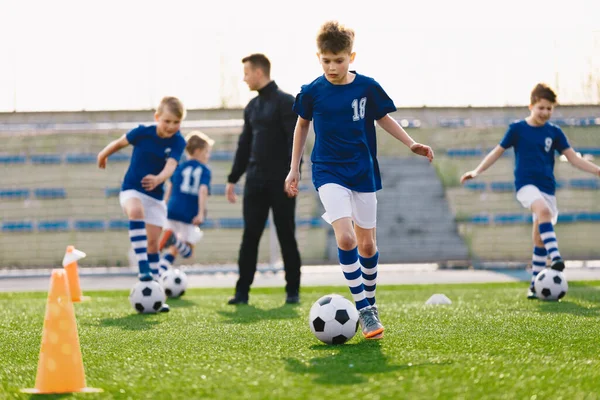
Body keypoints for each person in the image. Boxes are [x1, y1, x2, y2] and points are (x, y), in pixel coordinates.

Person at [284, 21, 434, 339]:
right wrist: (294, 167)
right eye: (326, 61)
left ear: (351, 56)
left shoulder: (366, 87)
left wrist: (411, 143)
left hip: (363, 171)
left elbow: (383, 118)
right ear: (318, 58)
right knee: (347, 239)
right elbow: (301, 126)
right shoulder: (311, 91)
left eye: (339, 60)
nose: (333, 66)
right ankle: (364, 309)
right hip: (328, 171)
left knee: (367, 244)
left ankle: (371, 303)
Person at [460, 83, 600, 299]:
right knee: (542, 212)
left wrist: (598, 171)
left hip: (547, 188)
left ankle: (535, 285)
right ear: (531, 106)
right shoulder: (517, 129)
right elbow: (497, 152)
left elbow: (573, 158)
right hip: (525, 185)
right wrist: (477, 171)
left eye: (549, 109)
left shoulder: (554, 132)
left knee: (539, 237)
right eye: (541, 107)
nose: (545, 112)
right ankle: (556, 258)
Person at [226, 53, 302, 305]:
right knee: (250, 236)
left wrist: (293, 175)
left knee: (286, 234)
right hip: (255, 183)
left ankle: (293, 291)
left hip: (281, 183)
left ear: (259, 72)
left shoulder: (285, 102)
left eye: (247, 73)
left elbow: (296, 142)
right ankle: (241, 293)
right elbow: (244, 144)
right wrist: (233, 177)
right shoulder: (252, 107)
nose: (245, 78)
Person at [97, 96, 187, 312]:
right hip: (131, 189)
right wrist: (103, 154)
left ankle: (156, 292)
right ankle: (143, 267)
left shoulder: (178, 141)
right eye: (167, 121)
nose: (171, 127)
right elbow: (119, 143)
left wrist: (159, 179)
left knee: (154, 245)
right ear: (157, 117)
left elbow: (171, 166)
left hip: (155, 198)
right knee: (135, 211)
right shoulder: (142, 131)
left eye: (176, 123)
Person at [158, 131, 214, 274]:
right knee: (188, 252)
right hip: (188, 213)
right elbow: (202, 190)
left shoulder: (179, 167)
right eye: (207, 152)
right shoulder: (204, 170)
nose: (208, 156)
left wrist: (163, 205)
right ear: (198, 151)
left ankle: (160, 271)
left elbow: (170, 187)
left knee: (173, 250)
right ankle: (173, 240)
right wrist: (201, 213)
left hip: (171, 209)